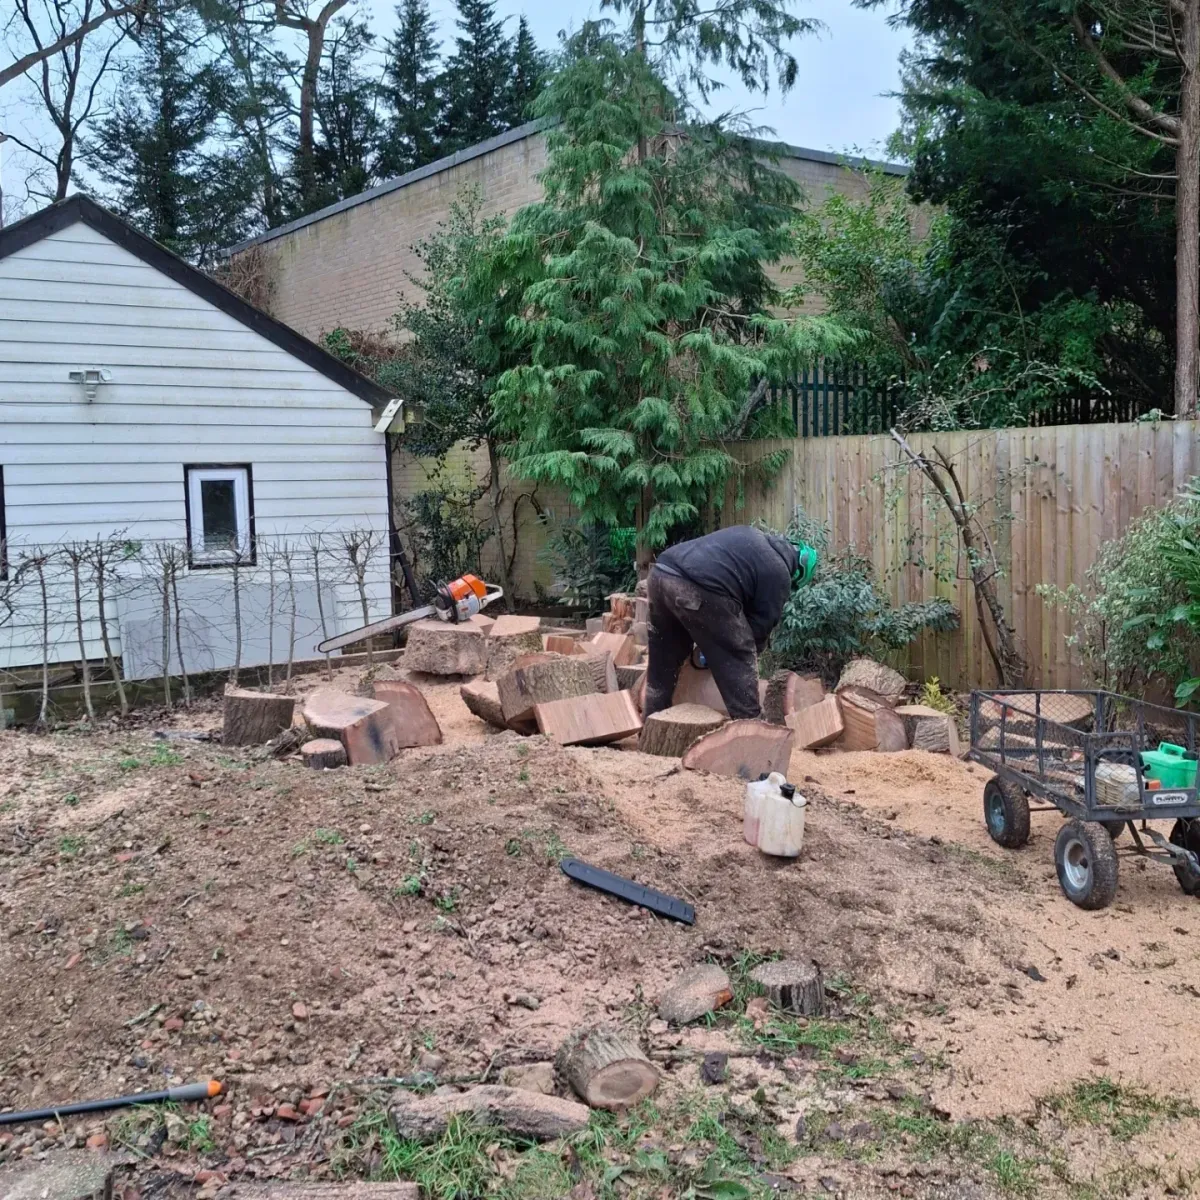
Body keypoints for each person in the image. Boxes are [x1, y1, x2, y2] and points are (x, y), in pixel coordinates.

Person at [643, 526, 817, 720]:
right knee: (740, 651)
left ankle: (651, 723)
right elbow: (759, 628)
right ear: (799, 571)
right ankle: (750, 724)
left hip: (660, 575)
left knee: (663, 661)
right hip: (694, 586)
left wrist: (710, 647)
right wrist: (739, 654)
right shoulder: (779, 571)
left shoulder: (754, 540)